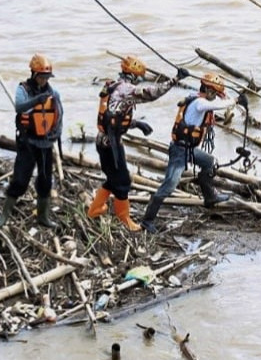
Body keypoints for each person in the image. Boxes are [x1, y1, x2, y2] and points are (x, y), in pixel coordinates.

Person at [88, 56, 189, 231]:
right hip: (110, 144)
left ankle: (96, 209)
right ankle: (123, 218)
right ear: (135, 76)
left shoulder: (115, 86)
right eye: (139, 77)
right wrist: (176, 79)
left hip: (106, 141)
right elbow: (151, 94)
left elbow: (116, 116)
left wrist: (136, 124)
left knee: (115, 178)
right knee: (123, 181)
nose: (140, 80)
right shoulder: (127, 89)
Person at [140, 73, 248, 234]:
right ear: (209, 92)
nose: (215, 97)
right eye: (215, 94)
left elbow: (218, 102)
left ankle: (210, 197)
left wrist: (231, 96)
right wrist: (237, 101)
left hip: (189, 149)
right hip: (179, 151)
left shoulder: (194, 97)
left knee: (209, 162)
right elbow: (218, 106)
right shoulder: (199, 103)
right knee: (168, 186)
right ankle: (147, 221)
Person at [0, 54, 64, 228]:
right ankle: (3, 217)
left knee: (45, 181)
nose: (44, 80)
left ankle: (43, 217)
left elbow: (59, 116)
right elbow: (19, 107)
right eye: (42, 77)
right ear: (34, 75)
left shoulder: (53, 93)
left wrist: (55, 135)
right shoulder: (23, 90)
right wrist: (36, 100)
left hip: (45, 144)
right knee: (20, 180)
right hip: (27, 142)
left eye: (47, 77)